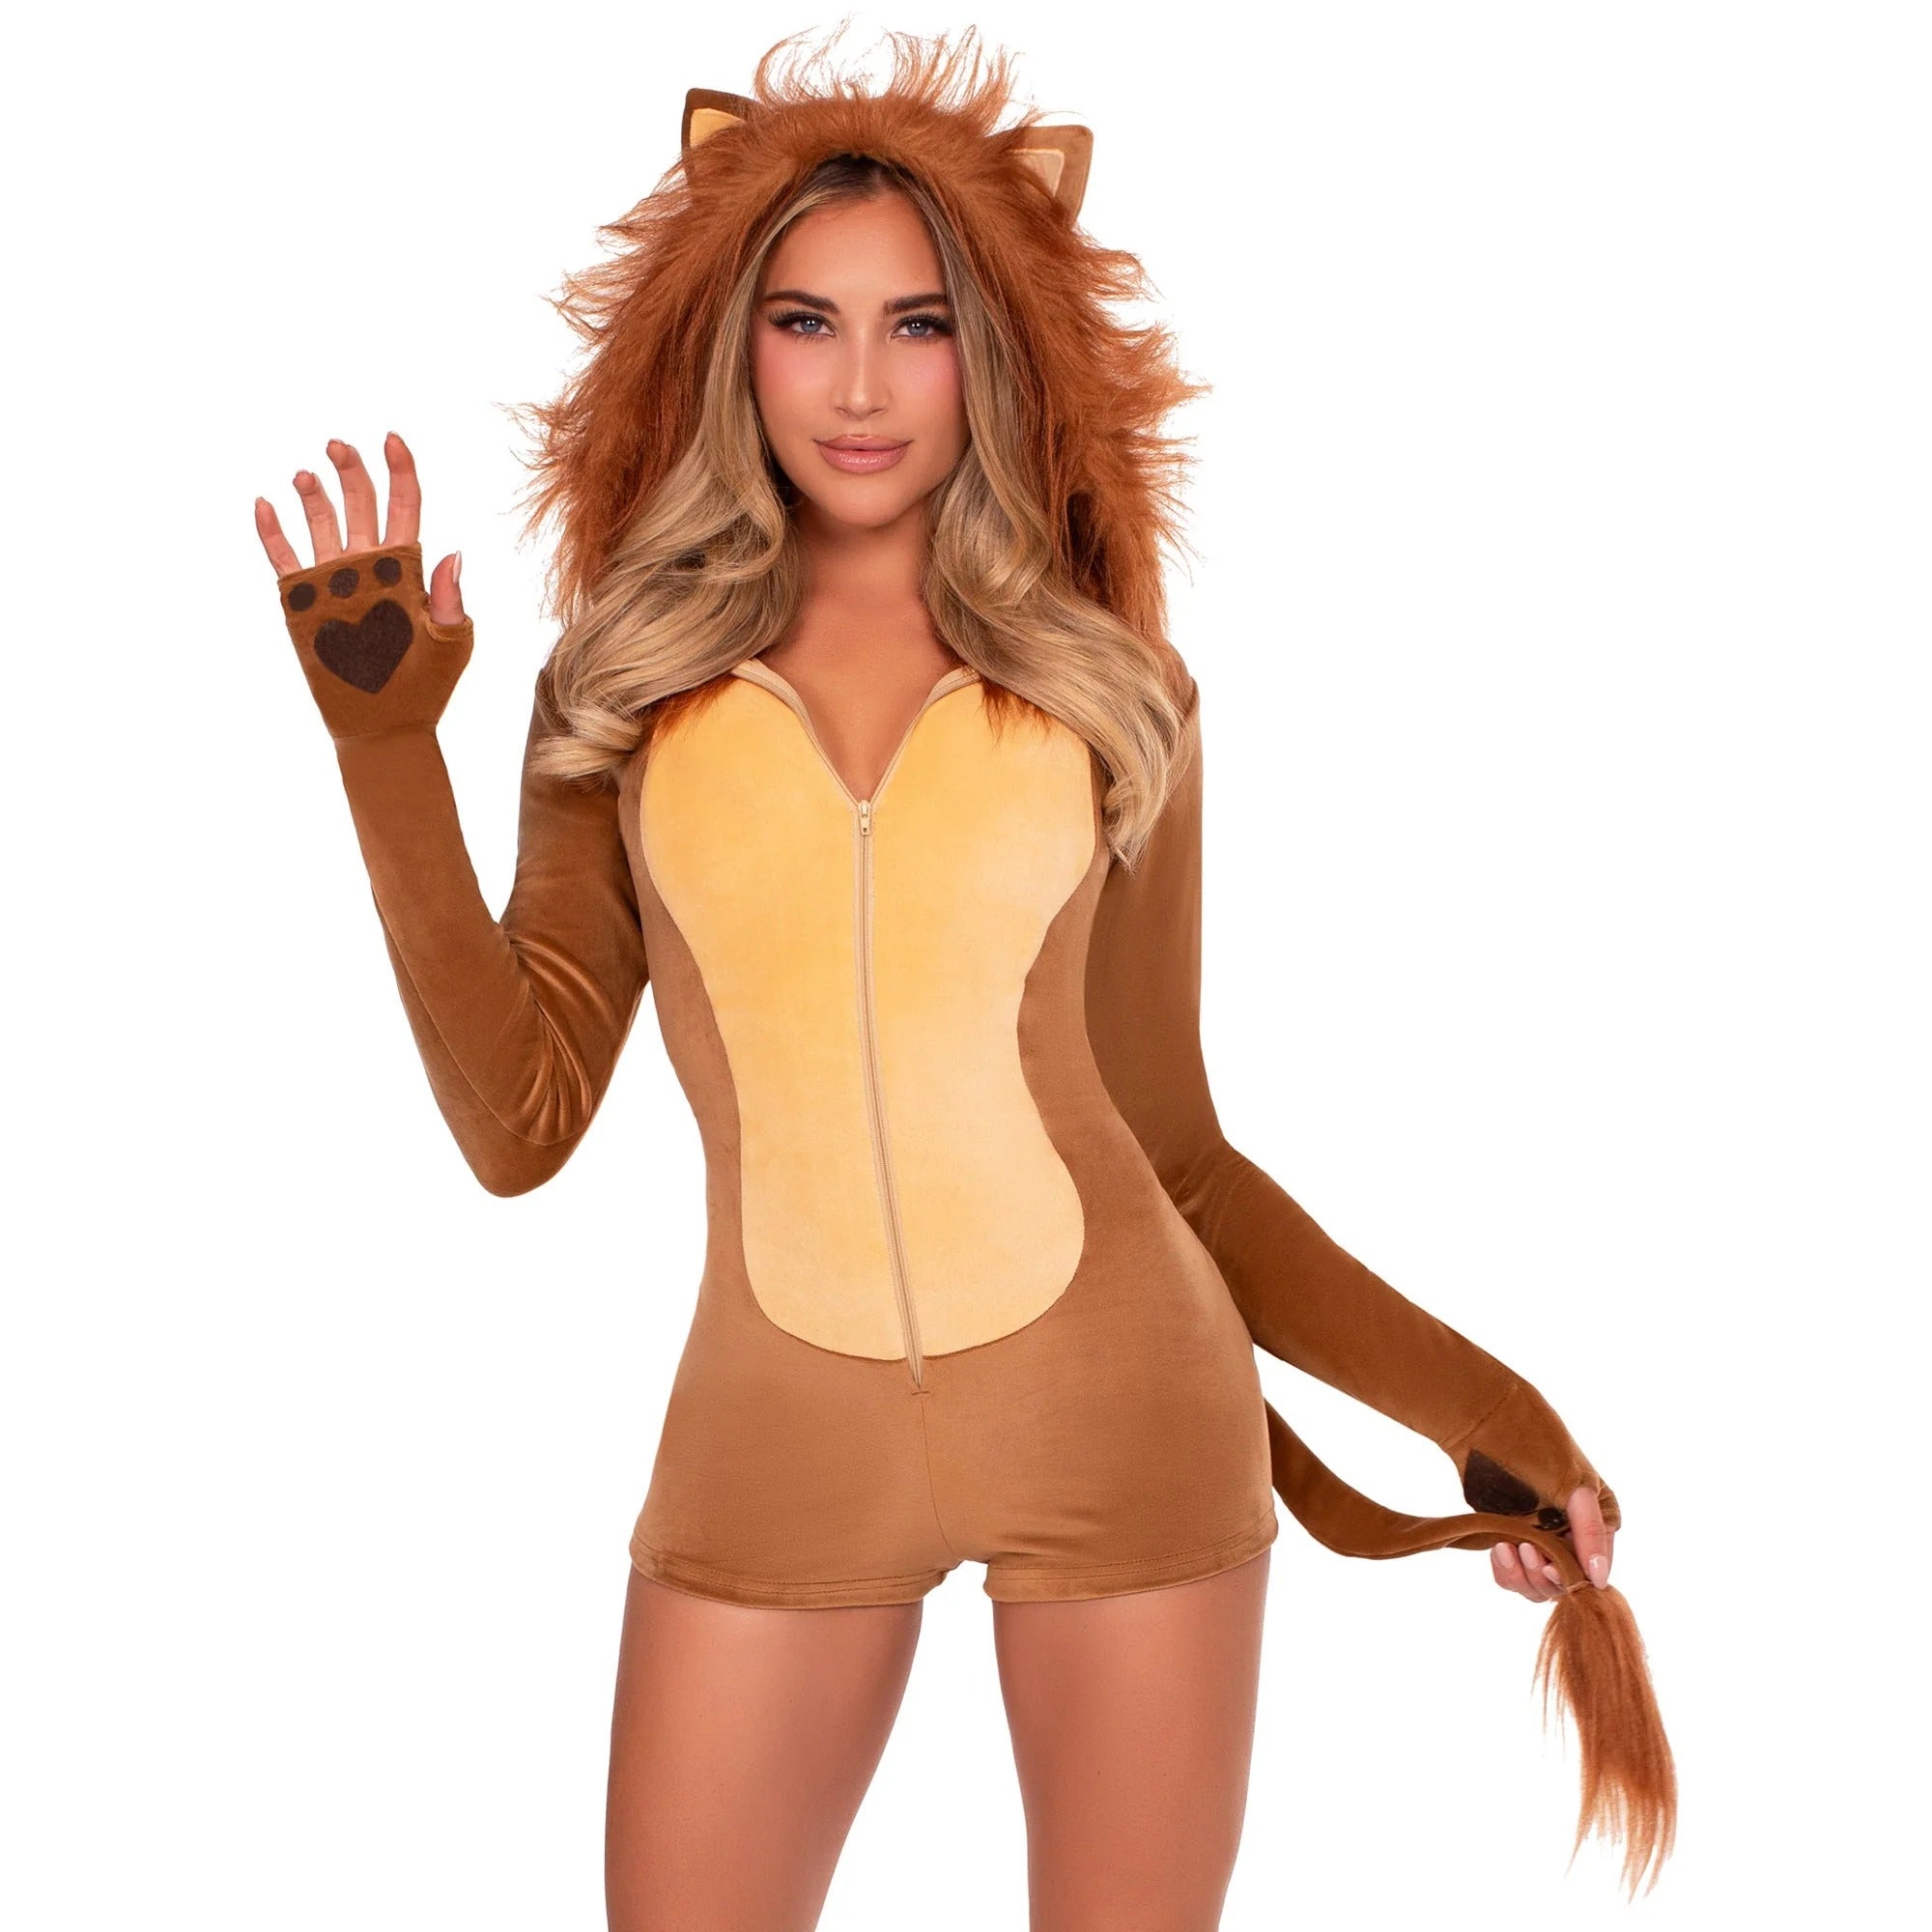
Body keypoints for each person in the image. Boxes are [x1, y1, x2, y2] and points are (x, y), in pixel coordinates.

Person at [251, 26, 1673, 1927]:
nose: (859, 386)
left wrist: (1497, 1417)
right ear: (727, 340)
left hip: (1124, 1414)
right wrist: (385, 752)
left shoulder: (1109, 690)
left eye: (917, 325)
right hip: (772, 1434)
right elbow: (519, 1123)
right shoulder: (623, 689)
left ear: (994, 345)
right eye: (805, 321)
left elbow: (1181, 1160)